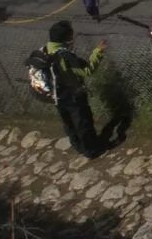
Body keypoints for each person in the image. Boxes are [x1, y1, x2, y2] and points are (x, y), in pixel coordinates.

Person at [44, 20, 107, 158]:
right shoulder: (65, 56)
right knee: (82, 122)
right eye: (71, 35)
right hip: (72, 95)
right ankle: (91, 150)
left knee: (68, 123)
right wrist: (98, 52)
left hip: (56, 95)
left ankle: (78, 146)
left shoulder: (45, 50)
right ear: (66, 38)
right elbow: (86, 70)